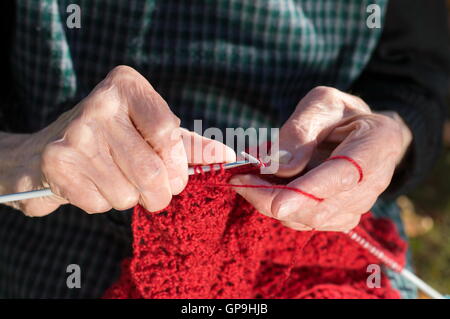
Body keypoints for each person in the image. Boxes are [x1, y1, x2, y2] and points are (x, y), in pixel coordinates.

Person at [0, 0, 449, 298]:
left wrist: (390, 135)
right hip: (43, 246)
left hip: (322, 234)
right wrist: (17, 157)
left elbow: (417, 75)